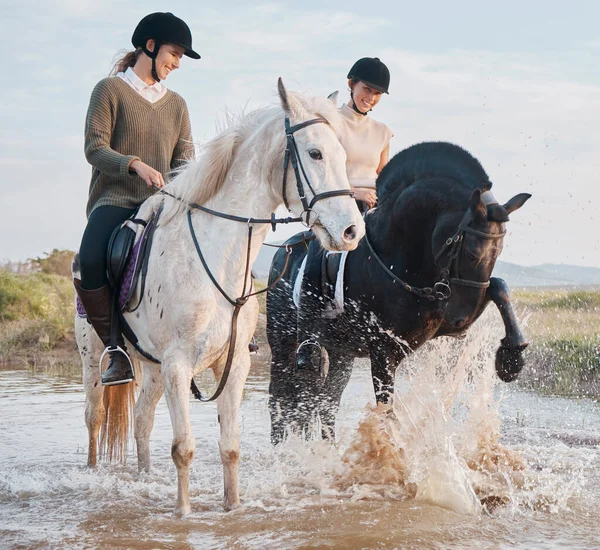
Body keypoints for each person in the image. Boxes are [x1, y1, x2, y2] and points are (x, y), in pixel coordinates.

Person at [73, 12, 199, 386]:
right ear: (150, 45)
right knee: (92, 257)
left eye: (179, 58)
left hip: (163, 205)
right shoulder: (109, 90)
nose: (176, 64)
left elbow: (184, 162)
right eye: (174, 54)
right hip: (115, 198)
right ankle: (115, 350)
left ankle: (223, 335)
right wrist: (135, 165)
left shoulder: (177, 104)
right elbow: (95, 148)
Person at [295, 57, 393, 371]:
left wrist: (384, 199)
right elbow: (321, 168)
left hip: (373, 209)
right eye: (367, 89)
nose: (371, 97)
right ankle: (308, 336)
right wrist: (354, 192)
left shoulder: (382, 132)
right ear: (351, 83)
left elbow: (383, 173)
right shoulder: (331, 120)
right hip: (336, 204)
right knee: (317, 253)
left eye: (378, 93)